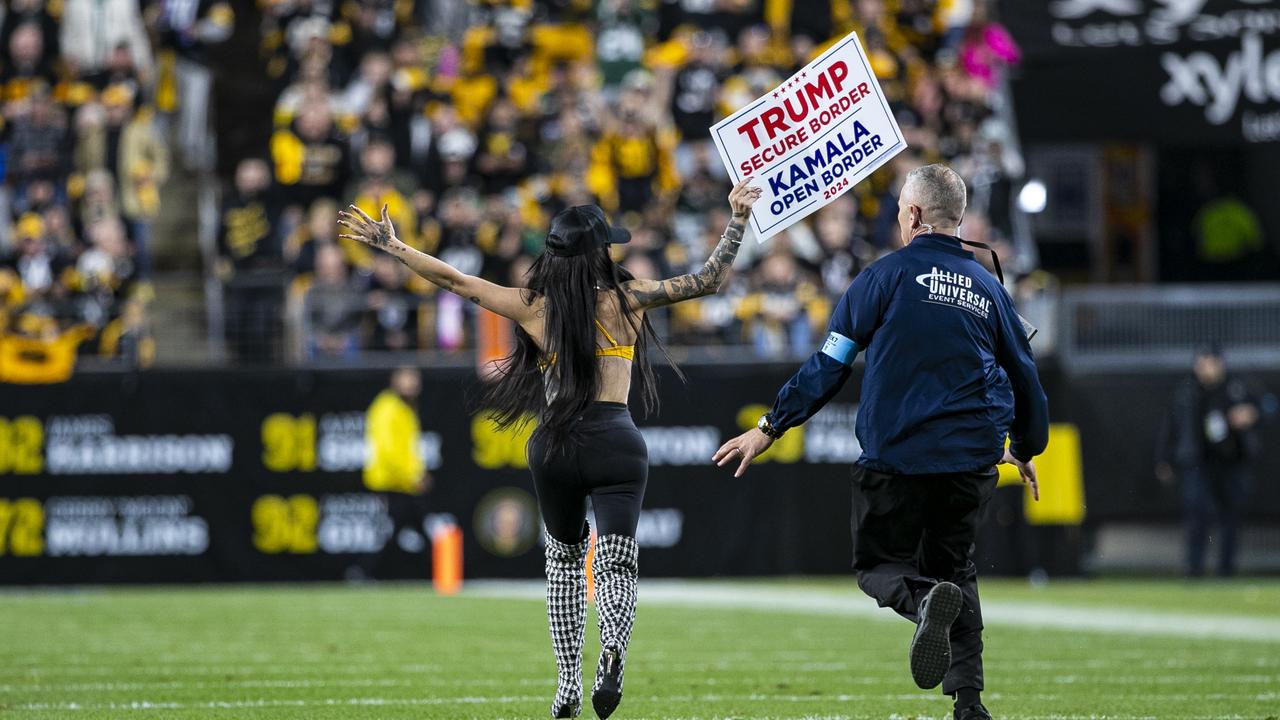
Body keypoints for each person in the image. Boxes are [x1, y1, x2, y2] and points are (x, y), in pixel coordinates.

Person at [338, 178, 762, 719]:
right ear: (596, 254)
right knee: (616, 565)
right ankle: (613, 649)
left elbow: (457, 281)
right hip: (615, 438)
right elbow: (709, 279)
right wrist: (738, 217)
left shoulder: (532, 306)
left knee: (563, 565)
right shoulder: (628, 299)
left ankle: (566, 684)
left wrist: (391, 245)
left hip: (555, 444)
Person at [713, 164, 1048, 720]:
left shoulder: (882, 277)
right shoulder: (990, 288)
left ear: (913, 215)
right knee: (957, 570)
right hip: (970, 461)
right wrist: (1026, 447)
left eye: (899, 209)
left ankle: (921, 604)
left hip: (897, 457)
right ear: (957, 219)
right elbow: (1026, 377)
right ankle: (969, 703)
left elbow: (831, 364)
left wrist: (770, 426)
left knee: (879, 565)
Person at [1155, 346, 1260, 577]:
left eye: (1212, 363)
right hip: (1197, 461)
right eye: (1203, 363)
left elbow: (1267, 407)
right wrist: (1164, 458)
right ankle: (1194, 568)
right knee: (1196, 512)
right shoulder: (1186, 391)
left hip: (1231, 461)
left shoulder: (1237, 388)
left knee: (1230, 515)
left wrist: (1251, 413)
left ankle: (1226, 569)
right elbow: (1170, 426)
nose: (1207, 369)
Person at [361, 366, 432, 578]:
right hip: (392, 482)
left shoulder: (403, 408)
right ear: (394, 381)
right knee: (398, 529)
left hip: (402, 482)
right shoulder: (388, 408)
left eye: (414, 379)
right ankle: (365, 571)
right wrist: (413, 477)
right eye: (407, 379)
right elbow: (389, 451)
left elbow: (406, 449)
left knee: (406, 527)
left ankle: (367, 571)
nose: (412, 384)